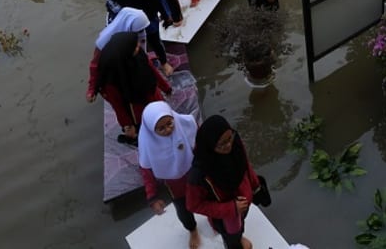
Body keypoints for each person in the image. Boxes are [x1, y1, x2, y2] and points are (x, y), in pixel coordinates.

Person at [187, 116, 263, 249]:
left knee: (240, 224)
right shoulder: (199, 174)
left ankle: (239, 236)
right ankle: (234, 242)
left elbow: (246, 165)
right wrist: (231, 208)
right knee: (231, 237)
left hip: (243, 203)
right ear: (209, 145)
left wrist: (256, 186)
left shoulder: (236, 144)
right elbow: (193, 205)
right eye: (221, 144)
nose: (228, 145)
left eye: (229, 139)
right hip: (226, 215)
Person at [89, 30, 172, 145]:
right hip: (136, 108)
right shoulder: (112, 77)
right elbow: (117, 105)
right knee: (149, 132)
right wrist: (127, 125)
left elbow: (152, 71)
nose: (139, 45)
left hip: (152, 95)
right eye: (135, 46)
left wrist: (166, 88)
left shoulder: (138, 55)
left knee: (164, 121)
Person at [138, 101, 201, 249]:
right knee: (183, 209)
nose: (168, 130)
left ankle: (215, 219)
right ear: (151, 130)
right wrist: (152, 197)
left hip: (196, 173)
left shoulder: (185, 124)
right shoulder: (148, 146)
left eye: (169, 124)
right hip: (175, 184)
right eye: (161, 128)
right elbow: (147, 173)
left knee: (208, 197)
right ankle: (192, 229)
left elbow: (201, 142)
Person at [105, 0, 174, 75]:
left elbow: (159, 0)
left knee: (155, 41)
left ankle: (164, 62)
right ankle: (141, 66)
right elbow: (111, 10)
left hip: (149, 17)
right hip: (130, 24)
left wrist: (167, 16)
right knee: (133, 47)